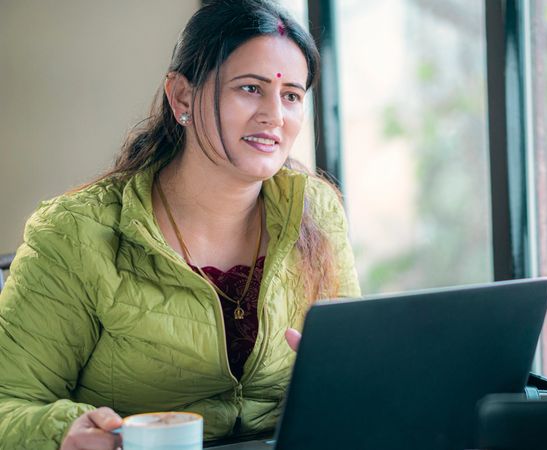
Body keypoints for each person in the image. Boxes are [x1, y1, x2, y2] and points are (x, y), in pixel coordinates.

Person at [0, 1, 360, 448]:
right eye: (250, 88)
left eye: (291, 96)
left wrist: (346, 379)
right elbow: (8, 401)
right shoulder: (75, 232)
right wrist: (63, 434)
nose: (275, 116)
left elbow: (352, 369)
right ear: (182, 96)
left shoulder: (318, 211)